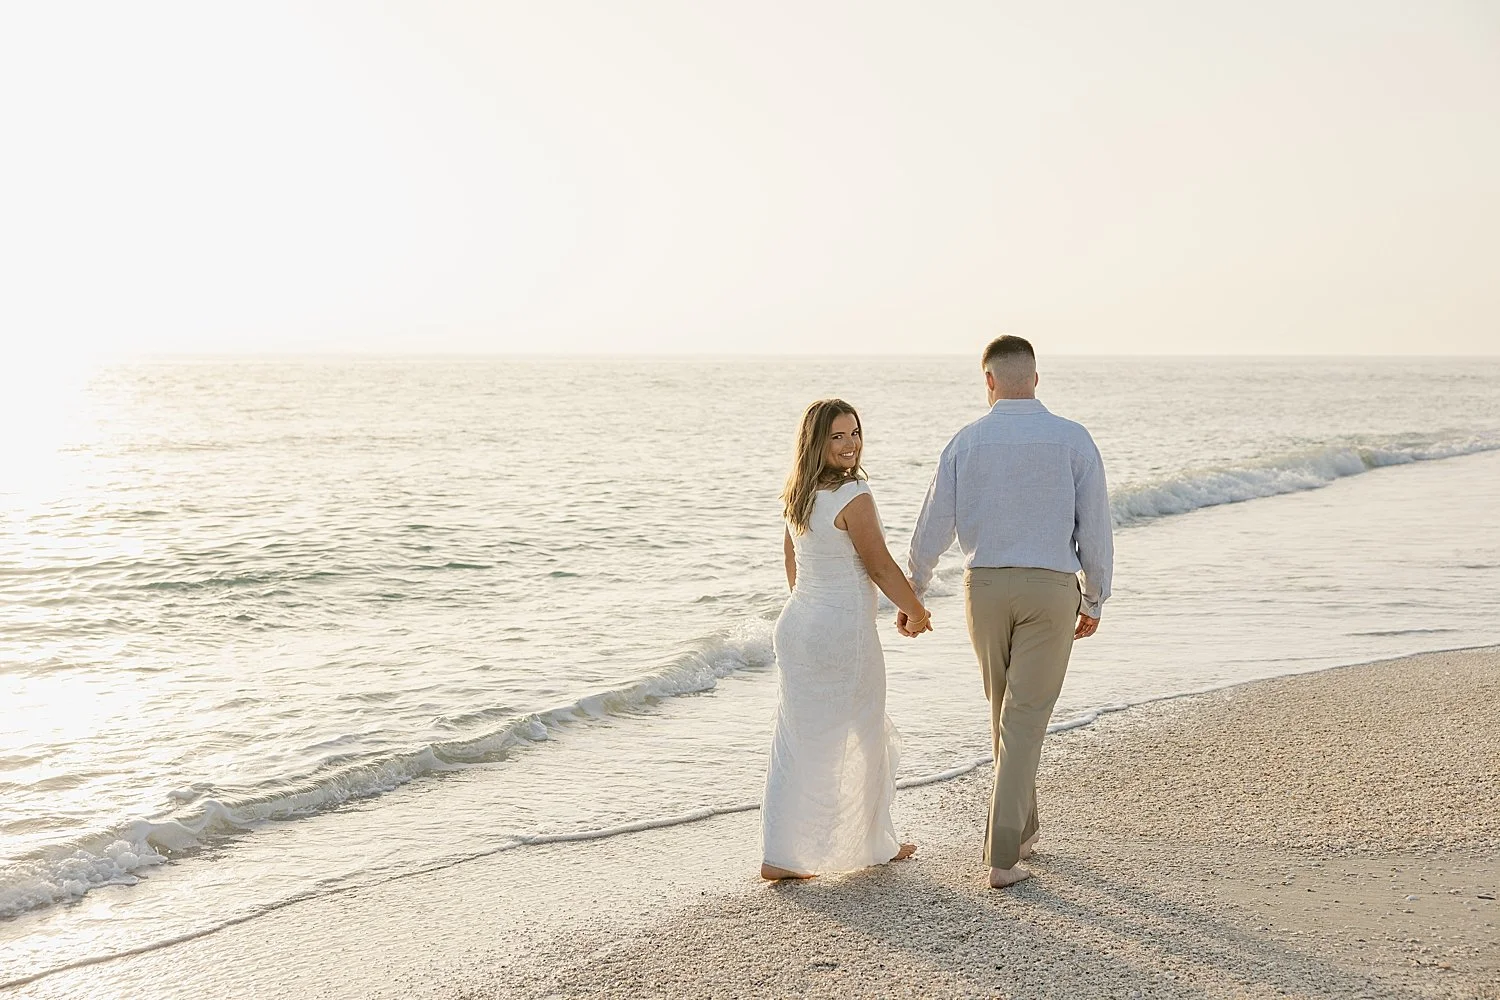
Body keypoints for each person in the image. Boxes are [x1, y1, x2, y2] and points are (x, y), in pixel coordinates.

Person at [906, 335, 1114, 889]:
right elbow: (1095, 529)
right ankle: (1001, 858)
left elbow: (933, 526)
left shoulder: (966, 442)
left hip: (985, 588)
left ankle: (1021, 829)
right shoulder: (1072, 439)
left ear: (989, 381)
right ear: (1036, 379)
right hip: (1050, 588)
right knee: (1022, 719)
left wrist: (915, 590)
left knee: (1006, 715)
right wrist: (1095, 596)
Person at [760, 398, 929, 880]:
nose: (849, 443)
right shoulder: (853, 495)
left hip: (797, 627)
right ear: (816, 441)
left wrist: (817, 612)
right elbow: (878, 565)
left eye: (854, 432)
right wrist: (915, 611)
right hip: (840, 634)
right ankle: (875, 844)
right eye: (836, 435)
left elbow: (794, 569)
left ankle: (780, 855)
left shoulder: (798, 495)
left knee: (799, 738)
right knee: (864, 731)